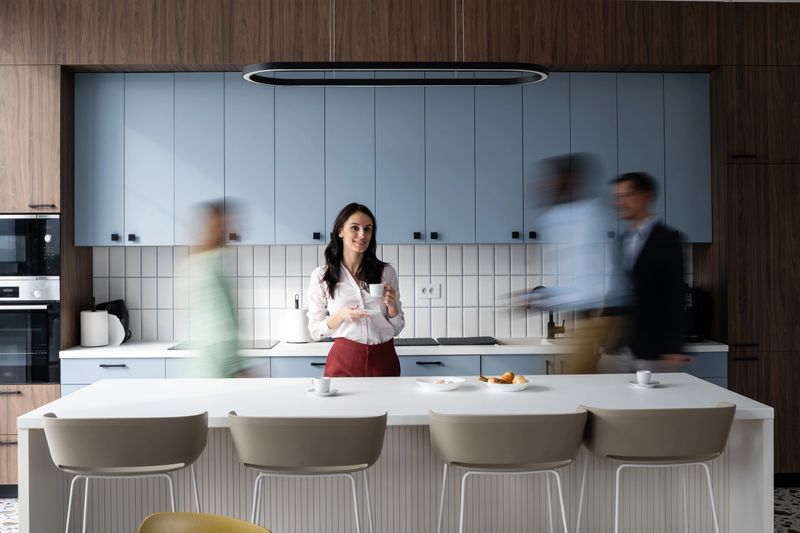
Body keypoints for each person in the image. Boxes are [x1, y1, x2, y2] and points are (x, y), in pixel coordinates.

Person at [307, 203, 404, 377]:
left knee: (387, 405)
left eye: (368, 229)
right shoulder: (322, 276)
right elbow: (315, 331)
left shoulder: (386, 272)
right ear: (340, 231)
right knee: (342, 406)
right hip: (344, 359)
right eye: (354, 228)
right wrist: (339, 316)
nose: (362, 235)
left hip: (384, 359)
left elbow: (397, 329)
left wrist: (392, 308)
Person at [611, 172, 689, 371]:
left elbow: (676, 295)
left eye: (625, 196)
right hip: (623, 348)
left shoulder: (668, 239)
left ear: (644, 197)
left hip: (656, 350)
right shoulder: (622, 241)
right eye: (617, 197)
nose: (618, 202)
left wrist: (674, 347)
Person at [188, 201, 247, 378]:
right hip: (217, 364)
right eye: (227, 223)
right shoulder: (212, 263)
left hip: (209, 361)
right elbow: (221, 320)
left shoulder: (198, 260)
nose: (232, 228)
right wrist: (237, 366)